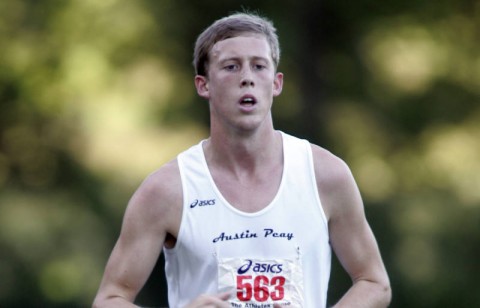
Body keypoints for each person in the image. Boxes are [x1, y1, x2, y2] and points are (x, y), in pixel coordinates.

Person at [93, 12, 391, 308]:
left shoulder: (325, 175)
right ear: (203, 85)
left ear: (276, 83)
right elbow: (110, 298)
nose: (247, 78)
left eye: (259, 66)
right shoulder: (168, 189)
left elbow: (374, 282)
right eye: (231, 67)